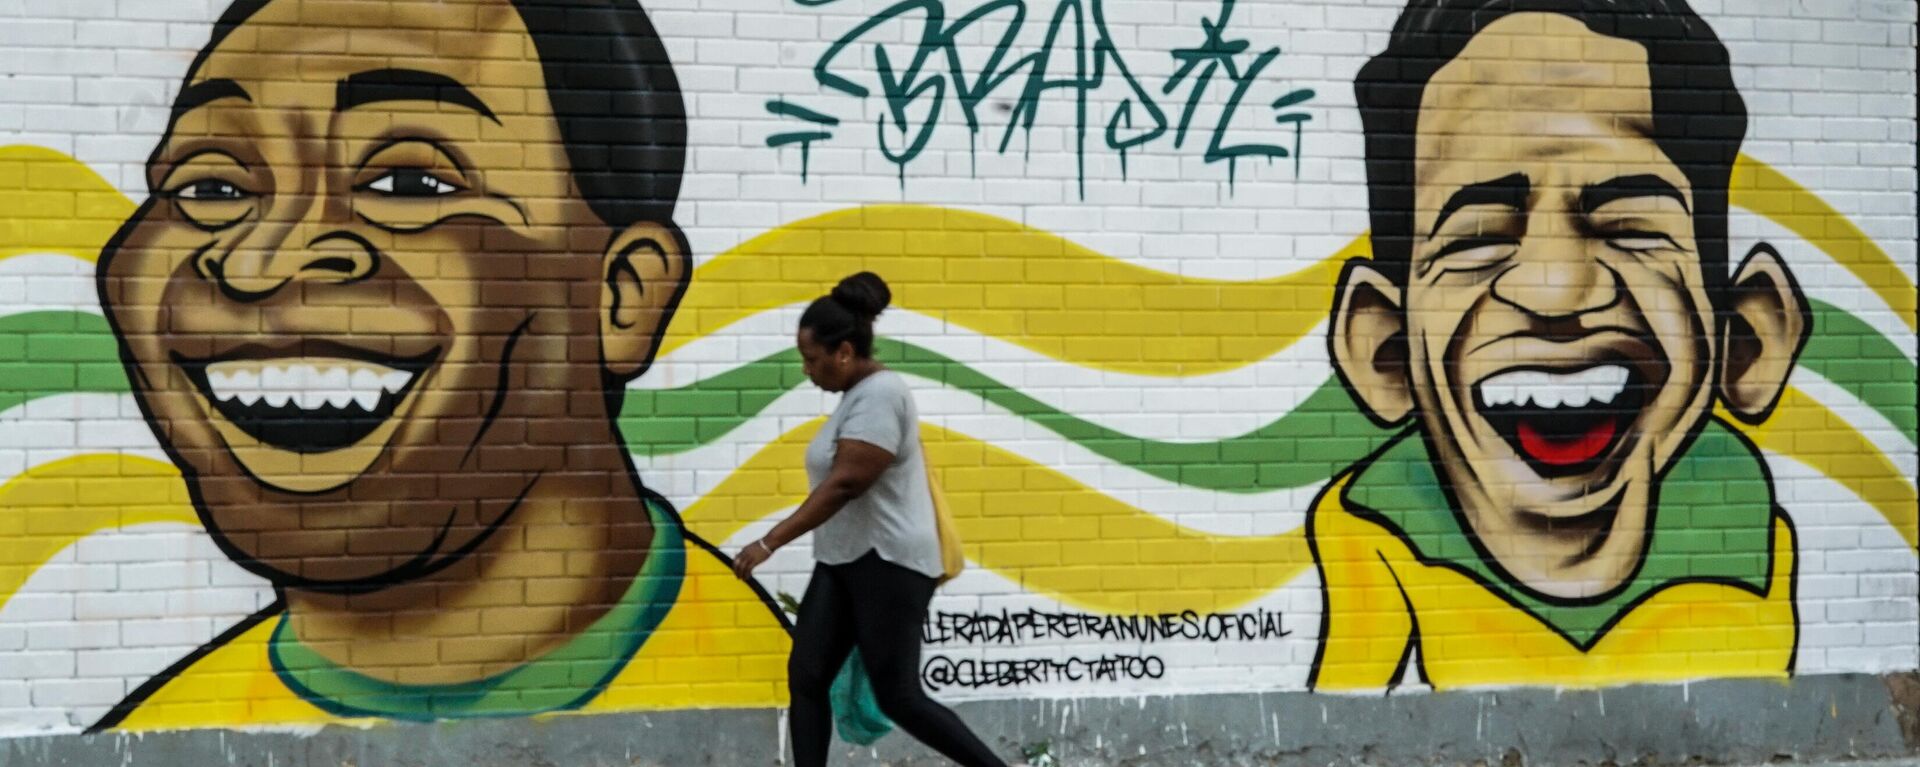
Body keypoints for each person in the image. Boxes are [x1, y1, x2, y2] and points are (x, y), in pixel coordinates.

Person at [89, 0, 788, 731]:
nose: (258, 262)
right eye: (211, 187)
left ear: (623, 296)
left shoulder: (767, 699)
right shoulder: (168, 728)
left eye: (409, 185)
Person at [1312, 0, 1810, 689]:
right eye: (1480, 236)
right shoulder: (1377, 533)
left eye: (1630, 226)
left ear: (1748, 339)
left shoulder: (1747, 529)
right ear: (1386, 350)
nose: (1557, 290)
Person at [731, 273, 1006, 767]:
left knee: (898, 694)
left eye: (812, 359)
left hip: (889, 561)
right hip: (843, 559)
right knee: (808, 676)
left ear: (844, 352)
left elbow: (845, 483)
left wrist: (769, 542)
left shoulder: (881, 395)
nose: (807, 370)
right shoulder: (854, 401)